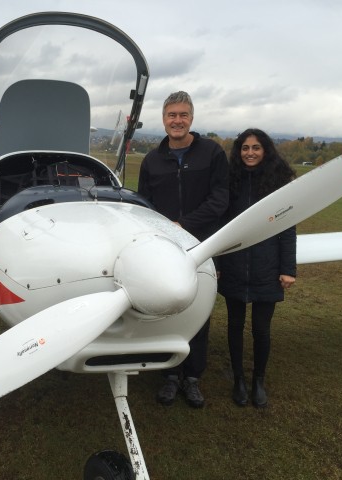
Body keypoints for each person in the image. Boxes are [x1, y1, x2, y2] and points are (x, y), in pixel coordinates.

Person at [137, 91, 229, 408]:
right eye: (171, 115)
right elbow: (144, 207)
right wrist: (164, 231)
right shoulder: (151, 160)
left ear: (192, 118)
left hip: (202, 244)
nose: (177, 121)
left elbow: (220, 200)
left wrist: (184, 224)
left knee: (198, 309)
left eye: (183, 115)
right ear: (164, 120)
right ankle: (169, 375)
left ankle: (192, 377)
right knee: (166, 304)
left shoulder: (212, 154)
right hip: (164, 247)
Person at [216, 128, 297, 408]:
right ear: (239, 152)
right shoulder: (231, 181)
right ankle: (238, 379)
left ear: (266, 151)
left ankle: (258, 380)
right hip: (234, 265)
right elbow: (221, 228)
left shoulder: (278, 184)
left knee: (261, 329)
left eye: (256, 148)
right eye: (245, 148)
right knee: (235, 326)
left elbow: (287, 228)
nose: (250, 153)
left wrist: (288, 268)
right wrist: (217, 263)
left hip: (266, 266)